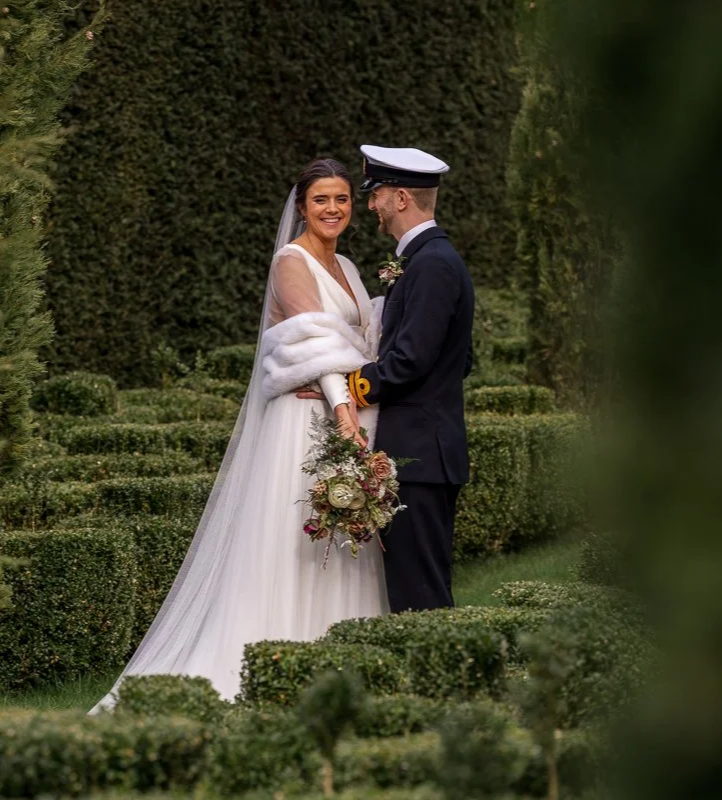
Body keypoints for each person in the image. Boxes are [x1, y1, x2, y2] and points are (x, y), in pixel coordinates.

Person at [91, 158, 389, 711]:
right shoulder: (291, 262)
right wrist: (347, 414)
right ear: (301, 206)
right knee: (293, 535)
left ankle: (340, 660)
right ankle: (271, 661)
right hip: (306, 422)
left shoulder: (347, 263)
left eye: (342, 199)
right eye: (321, 199)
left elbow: (354, 343)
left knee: (340, 534)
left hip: (343, 412)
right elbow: (314, 345)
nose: (333, 209)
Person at [300, 145, 474, 612]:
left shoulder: (432, 263)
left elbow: (411, 359)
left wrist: (345, 385)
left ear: (400, 198)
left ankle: (439, 684)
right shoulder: (425, 259)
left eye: (375, 194)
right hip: (424, 448)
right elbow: (462, 358)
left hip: (422, 454)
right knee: (414, 586)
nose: (370, 205)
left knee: (420, 595)